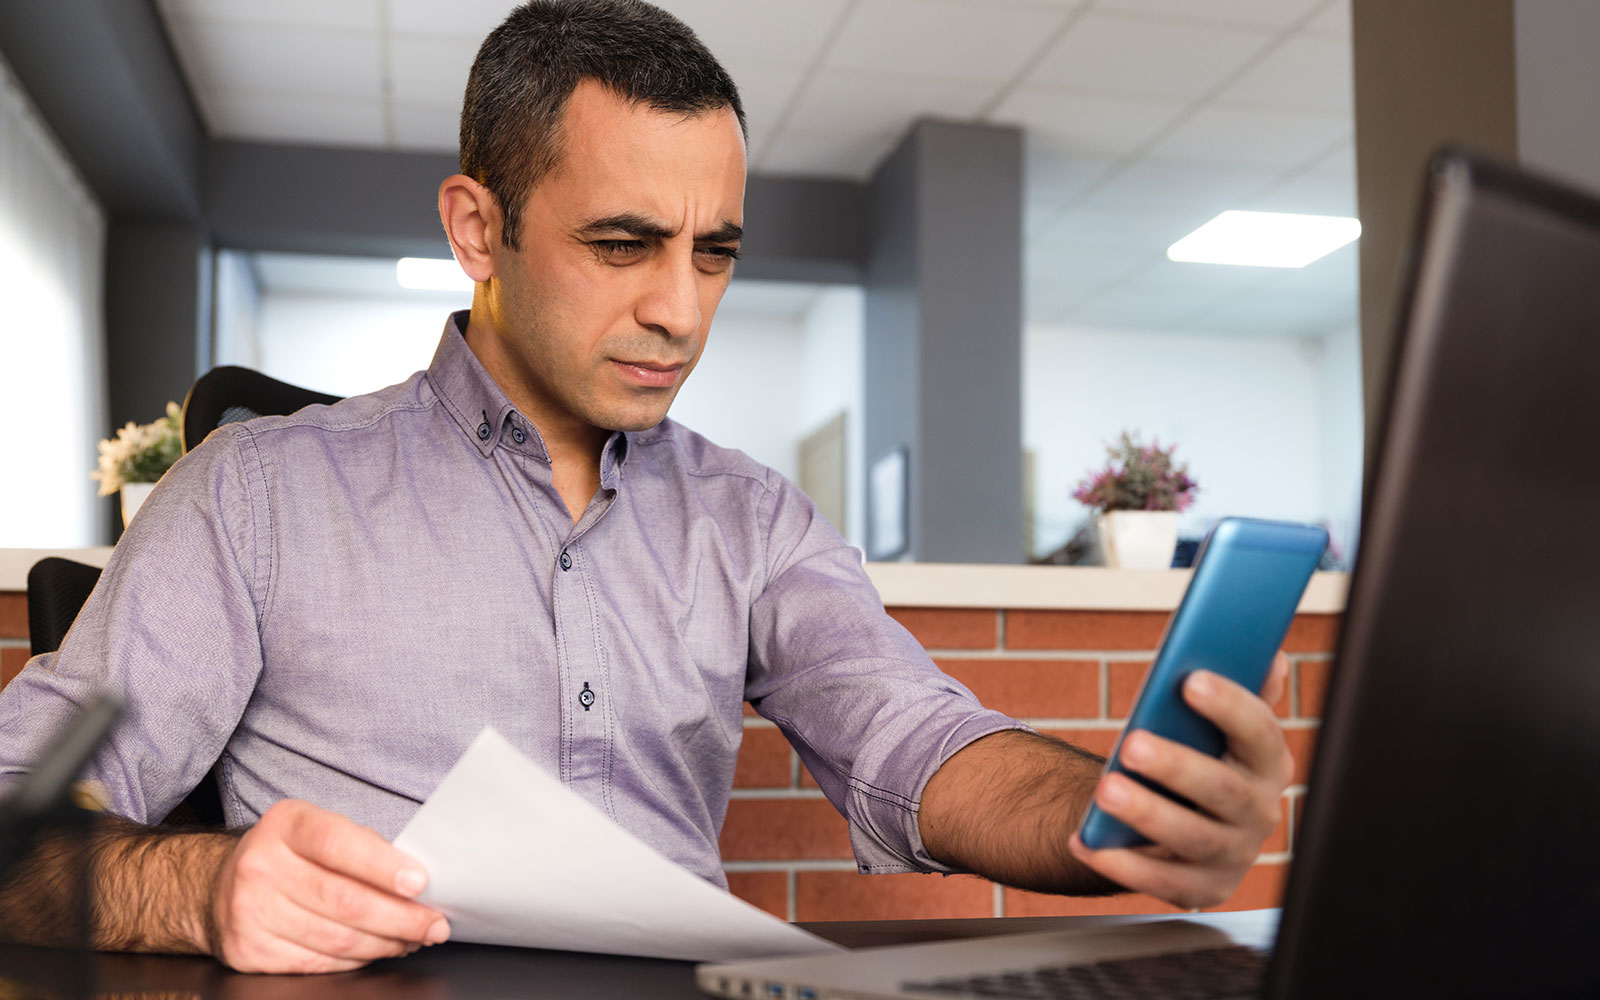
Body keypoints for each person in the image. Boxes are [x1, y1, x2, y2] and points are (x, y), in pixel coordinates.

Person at [0, 0, 1293, 975]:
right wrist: (205, 889)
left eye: (713, 253)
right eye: (622, 244)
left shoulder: (751, 519)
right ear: (477, 228)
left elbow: (916, 740)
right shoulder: (257, 494)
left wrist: (1111, 814)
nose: (678, 311)